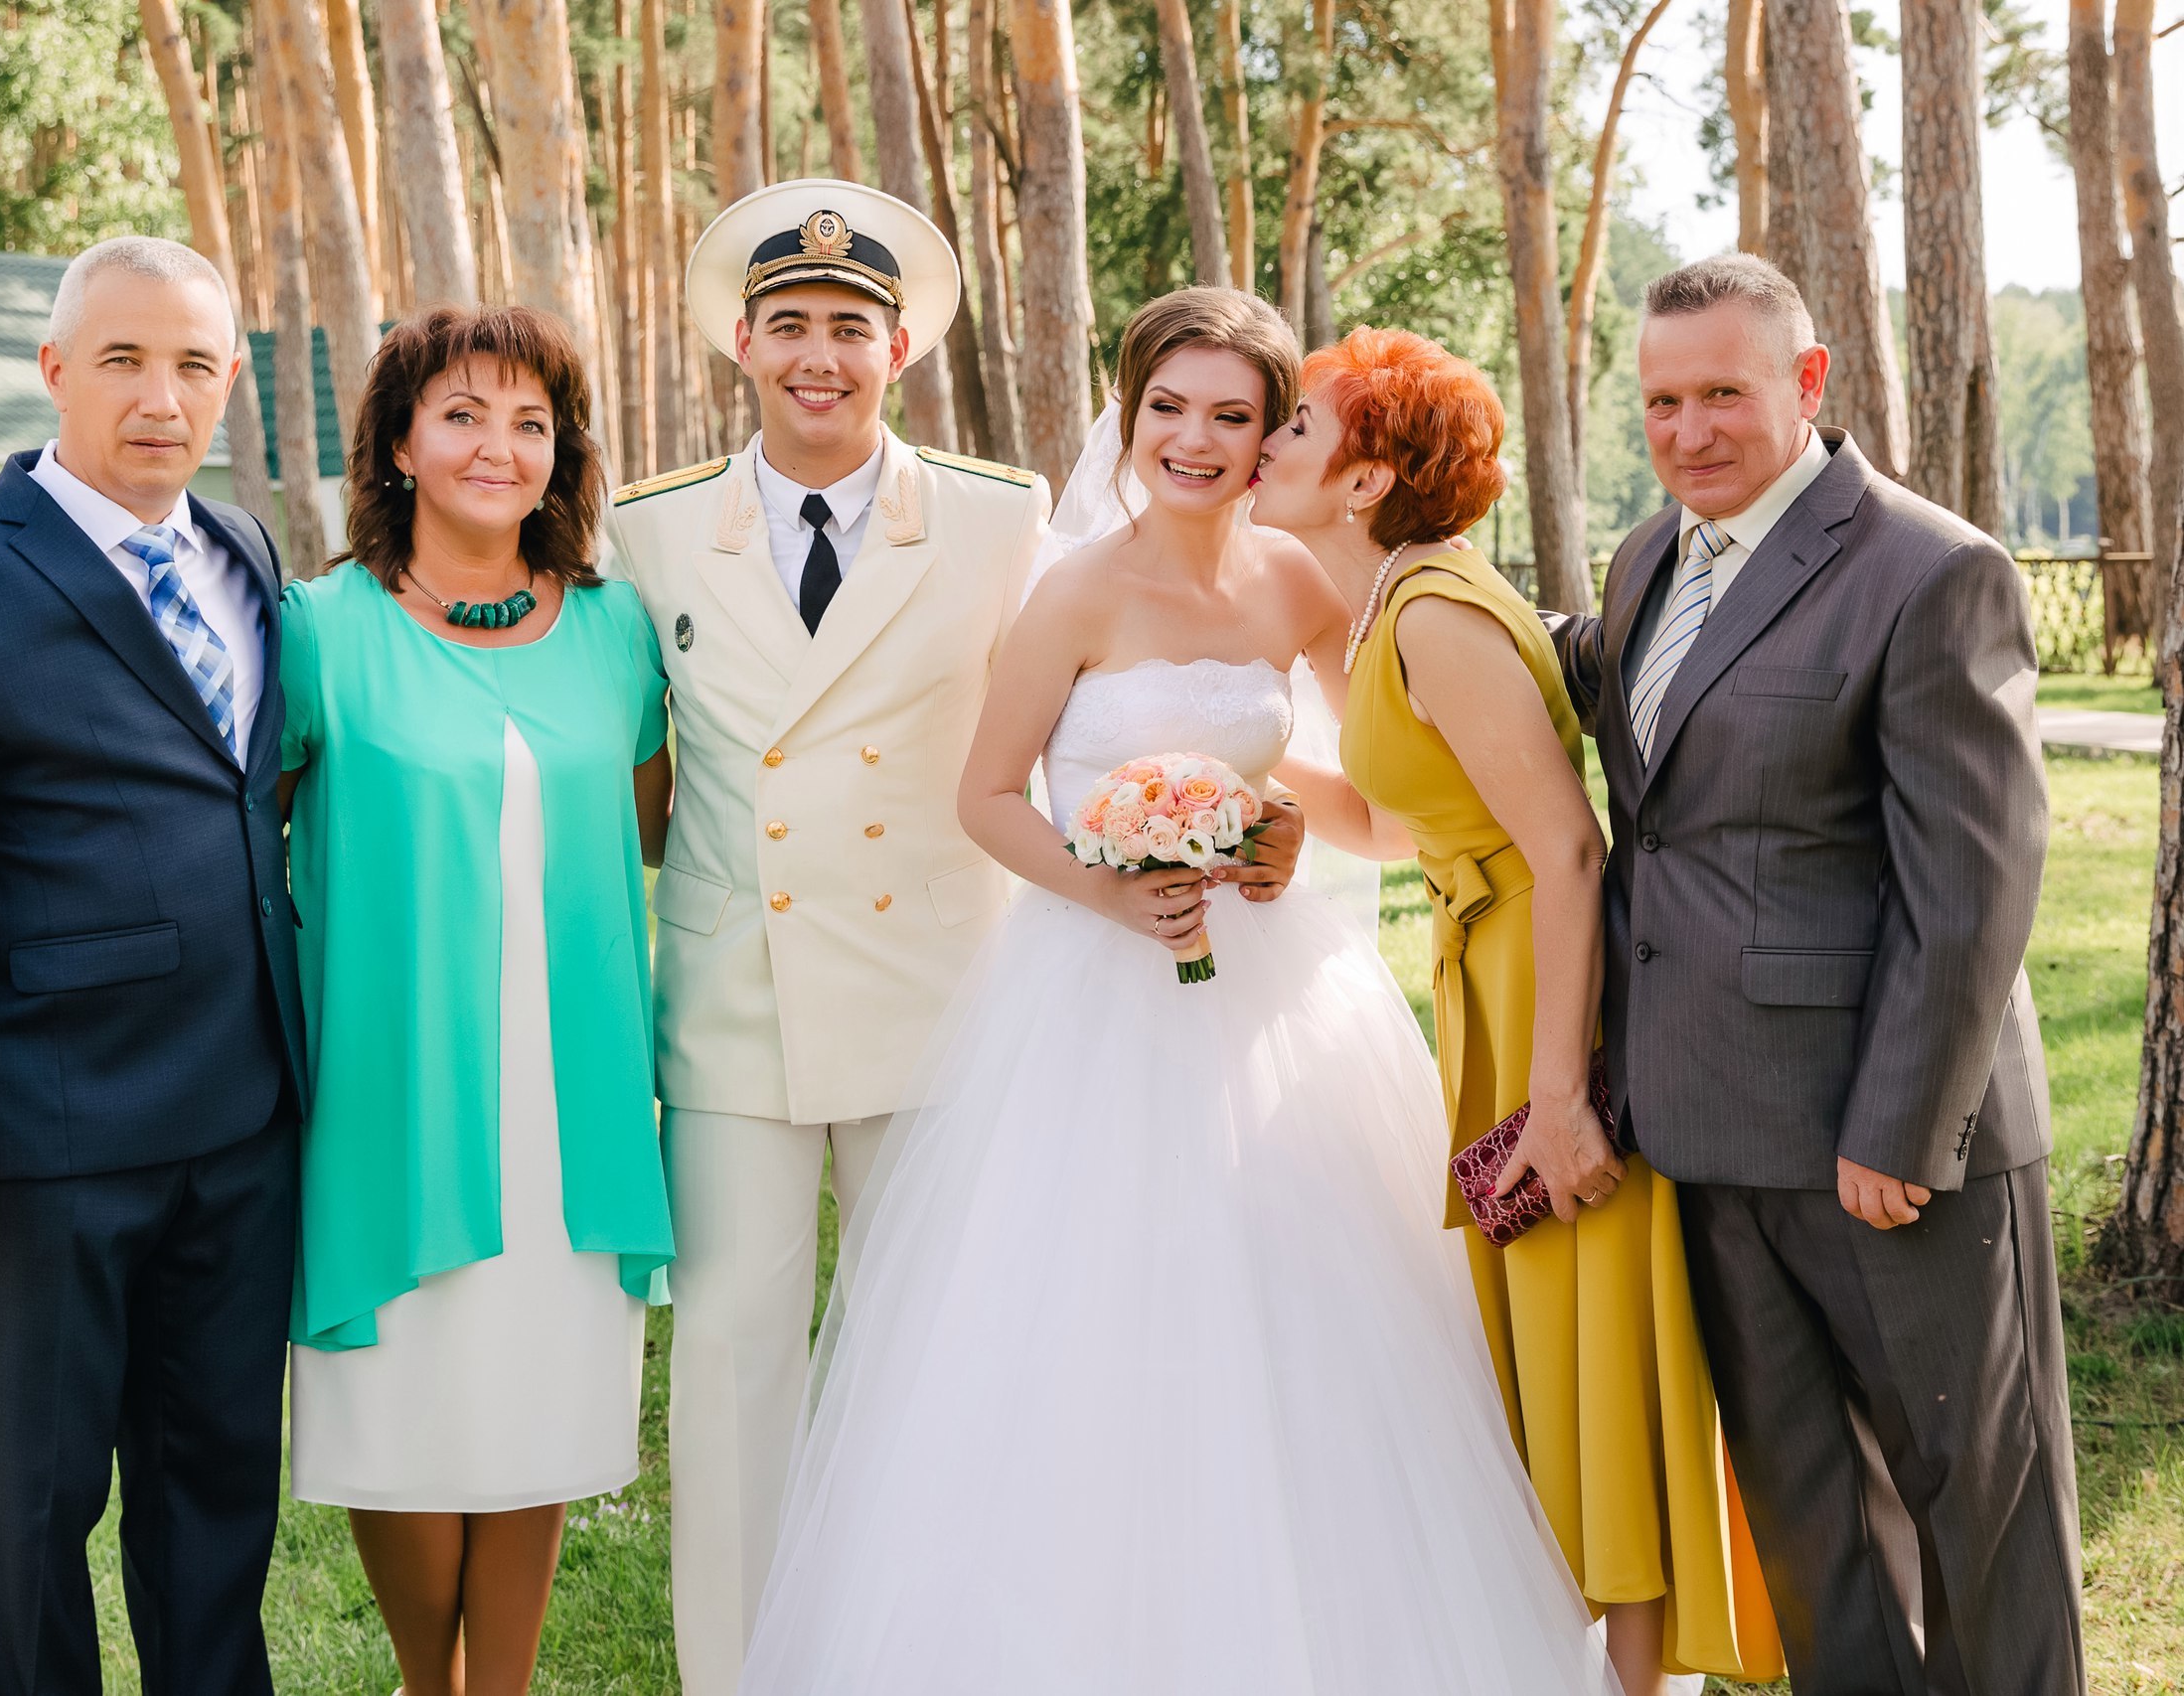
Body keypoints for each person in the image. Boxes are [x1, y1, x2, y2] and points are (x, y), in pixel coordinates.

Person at [734, 287, 1617, 1696]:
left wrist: (1281, 819)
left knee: (1321, 1307)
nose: (1194, 441)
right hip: (1092, 990)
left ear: (1272, 435)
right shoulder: (1075, 590)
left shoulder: (1302, 586)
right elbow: (986, 795)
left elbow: (1379, 807)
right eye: (1167, 408)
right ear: (1128, 412)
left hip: (1275, 993)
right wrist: (1105, 888)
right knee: (1091, 1313)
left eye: (1231, 416)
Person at [606, 182, 1305, 1696]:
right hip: (733, 997)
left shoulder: (1000, 518)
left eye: (851, 329)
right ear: (743, 341)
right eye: (791, 325)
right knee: (731, 1363)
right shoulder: (648, 532)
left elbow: (1083, 715)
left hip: (941, 991)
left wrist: (1209, 820)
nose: (820, 356)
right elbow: (634, 761)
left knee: (941, 1366)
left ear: (901, 347)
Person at [1545, 252, 2079, 1695]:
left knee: (1981, 1514)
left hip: (1886, 1142)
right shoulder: (1649, 558)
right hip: (1706, 1127)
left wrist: (1900, 1128)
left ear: (1809, 380)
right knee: (1809, 1519)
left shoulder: (1931, 570)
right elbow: (1623, 710)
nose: (1690, 431)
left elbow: (1972, 886)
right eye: (1662, 402)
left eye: (1724, 393)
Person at [1248, 324, 1783, 1692]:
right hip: (1490, 982)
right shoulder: (1385, 608)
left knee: (1596, 1346)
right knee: (1551, 1349)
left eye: (1298, 426)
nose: (1264, 445)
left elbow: (1568, 851)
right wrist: (1241, 764)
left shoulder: (1435, 614)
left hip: (1551, 1001)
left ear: (1366, 479)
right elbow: (1398, 824)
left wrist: (1558, 1097)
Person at [0, 235, 304, 1696]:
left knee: (217, 1496)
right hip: (44, 1139)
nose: (162, 397)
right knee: (33, 1513)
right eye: (124, 360)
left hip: (243, 1119)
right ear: (53, 370)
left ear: (229, 380)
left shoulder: (246, 553)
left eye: (195, 365)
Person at [277, 305, 675, 1696]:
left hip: (573, 1094)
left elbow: (660, 828)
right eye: (461, 414)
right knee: (403, 1401)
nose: (498, 446)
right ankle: (424, 1682)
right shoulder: (319, 630)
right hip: (390, 1087)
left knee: (537, 1399)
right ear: (398, 444)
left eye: (529, 421)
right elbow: (247, 848)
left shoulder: (618, 632)